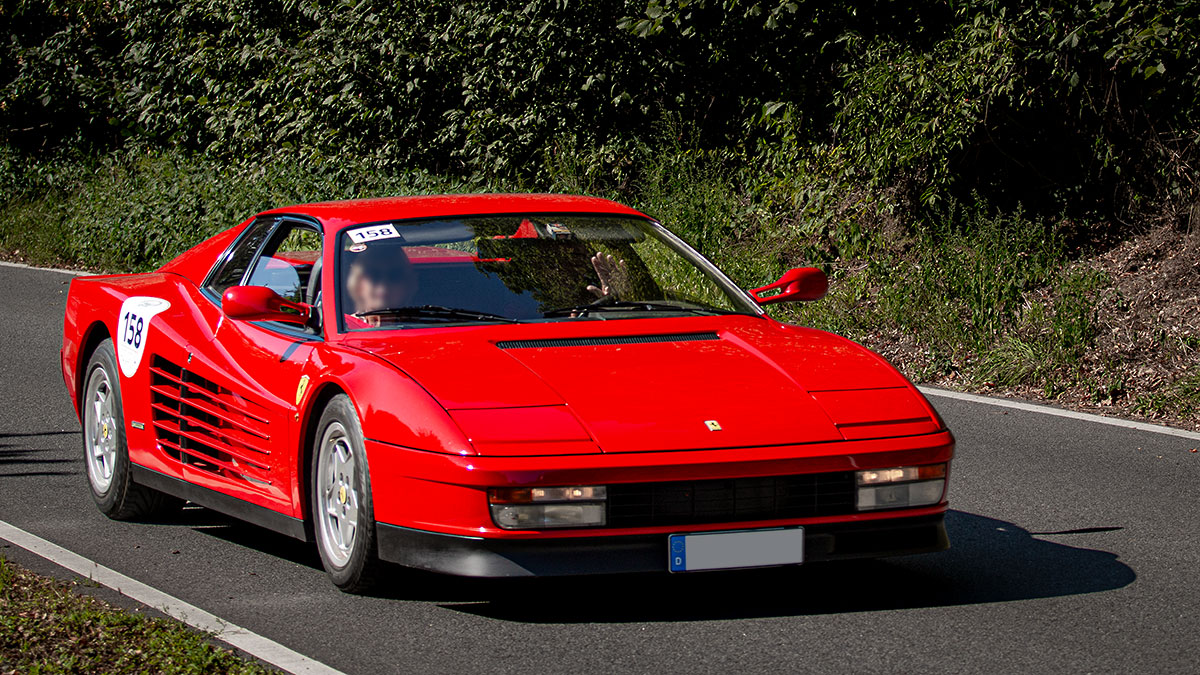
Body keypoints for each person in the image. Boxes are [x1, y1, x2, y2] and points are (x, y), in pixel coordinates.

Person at [343, 243, 417, 328]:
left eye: (394, 275)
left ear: (407, 285)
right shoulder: (344, 326)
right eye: (374, 275)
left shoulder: (422, 328)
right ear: (358, 283)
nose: (384, 284)